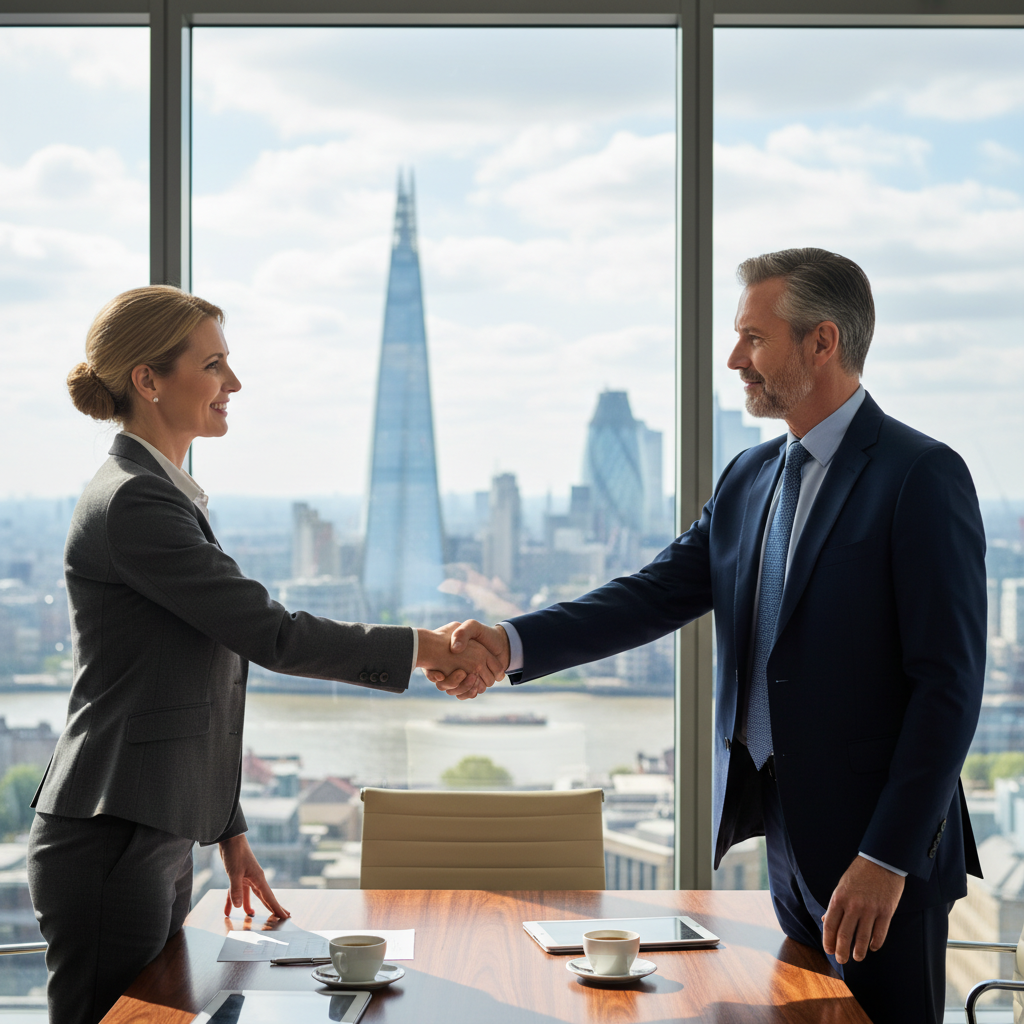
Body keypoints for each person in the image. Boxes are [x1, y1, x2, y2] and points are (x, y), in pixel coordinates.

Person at [436, 248, 986, 1024]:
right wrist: (510, 640)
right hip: (786, 837)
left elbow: (950, 687)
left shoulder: (919, 475)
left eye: (754, 339)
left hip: (878, 856)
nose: (734, 360)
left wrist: (886, 857)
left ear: (822, 342)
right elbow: (653, 595)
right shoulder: (749, 478)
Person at [28, 285, 501, 1024]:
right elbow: (269, 633)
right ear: (148, 381)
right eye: (214, 365)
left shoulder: (158, 492)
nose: (234, 385)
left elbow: (181, 694)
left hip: (144, 826)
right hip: (112, 837)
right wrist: (426, 647)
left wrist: (228, 827)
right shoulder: (135, 502)